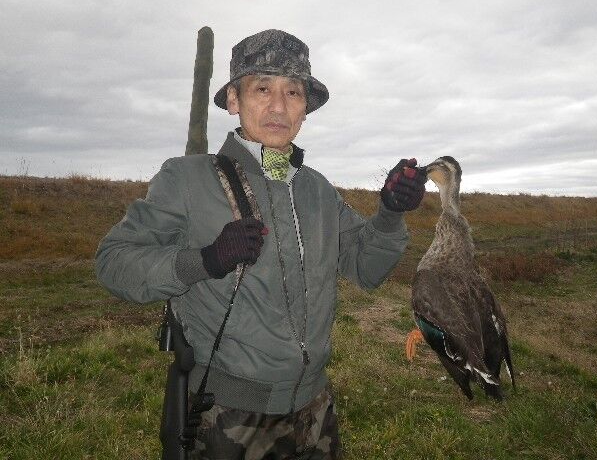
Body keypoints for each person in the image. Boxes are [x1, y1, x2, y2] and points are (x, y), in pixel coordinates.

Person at [95, 29, 426, 460]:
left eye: (293, 92)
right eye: (262, 89)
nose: (278, 106)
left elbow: (367, 267)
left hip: (315, 410)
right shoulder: (186, 180)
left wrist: (390, 213)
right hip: (229, 417)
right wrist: (205, 260)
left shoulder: (318, 190)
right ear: (234, 100)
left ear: (306, 108)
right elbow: (114, 262)